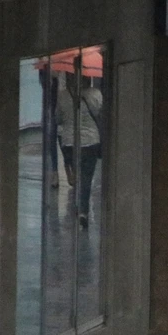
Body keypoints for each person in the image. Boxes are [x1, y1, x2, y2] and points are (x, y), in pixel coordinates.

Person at [56, 73, 104, 229]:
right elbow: (100, 114)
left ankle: (78, 206)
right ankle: (83, 210)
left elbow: (58, 119)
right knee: (86, 178)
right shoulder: (95, 94)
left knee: (77, 176)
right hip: (91, 142)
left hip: (70, 142)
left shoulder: (63, 96)